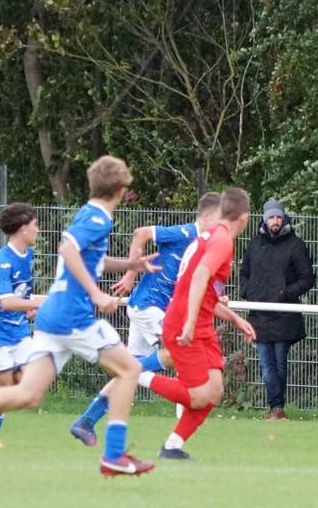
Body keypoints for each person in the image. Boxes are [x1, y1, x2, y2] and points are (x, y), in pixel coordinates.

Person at [0, 155, 161, 477]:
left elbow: (89, 259)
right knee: (130, 369)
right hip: (73, 316)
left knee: (28, 395)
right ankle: (114, 455)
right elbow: (68, 251)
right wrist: (96, 294)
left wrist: (129, 265)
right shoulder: (99, 219)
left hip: (52, 317)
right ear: (121, 190)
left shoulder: (88, 213)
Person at [68, 192, 222, 448]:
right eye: (219, 219)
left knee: (135, 367)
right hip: (148, 307)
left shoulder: (205, 245)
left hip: (157, 310)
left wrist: (218, 300)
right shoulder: (183, 233)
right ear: (206, 216)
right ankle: (133, 374)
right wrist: (131, 273)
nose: (222, 226)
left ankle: (86, 420)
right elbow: (140, 233)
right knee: (176, 351)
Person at [137, 186, 256, 459]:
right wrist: (190, 322)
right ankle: (135, 373)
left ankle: (172, 446)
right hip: (184, 322)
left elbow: (206, 292)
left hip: (200, 323)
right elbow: (200, 277)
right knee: (199, 395)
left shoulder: (212, 237)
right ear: (245, 217)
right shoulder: (222, 240)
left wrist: (235, 319)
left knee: (215, 389)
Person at [0, 203, 45, 449]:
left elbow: (22, 291)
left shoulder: (28, 256)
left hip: (18, 329)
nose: (38, 230)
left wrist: (29, 306)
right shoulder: (2, 261)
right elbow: (5, 302)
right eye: (35, 225)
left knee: (31, 391)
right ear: (23, 229)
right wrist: (39, 304)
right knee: (6, 390)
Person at [239, 200, 315, 420]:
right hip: (259, 314)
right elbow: (244, 273)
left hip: (284, 316)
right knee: (266, 363)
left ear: (283, 219)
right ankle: (276, 407)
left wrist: (285, 294)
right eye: (271, 217)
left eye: (278, 217)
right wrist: (248, 292)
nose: (275, 221)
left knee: (280, 363)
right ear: (264, 219)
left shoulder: (296, 246)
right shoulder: (254, 244)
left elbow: (307, 278)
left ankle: (277, 408)